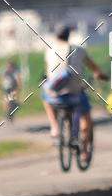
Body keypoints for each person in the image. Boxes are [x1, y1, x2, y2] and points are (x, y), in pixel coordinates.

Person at [41, 25, 106, 154]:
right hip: (75, 94)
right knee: (86, 117)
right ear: (68, 36)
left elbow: (48, 72)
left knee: (44, 96)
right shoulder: (79, 50)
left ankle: (54, 127)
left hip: (55, 96)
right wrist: (99, 74)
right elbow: (93, 66)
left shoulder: (49, 51)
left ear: (55, 36)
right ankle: (83, 152)